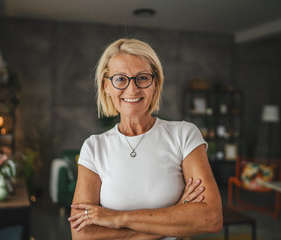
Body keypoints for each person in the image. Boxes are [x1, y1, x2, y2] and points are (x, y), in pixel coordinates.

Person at [68, 38, 223, 240]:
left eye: (142, 78)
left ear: (155, 84)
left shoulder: (184, 135)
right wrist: (174, 216)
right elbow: (82, 235)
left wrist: (117, 219)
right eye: (121, 79)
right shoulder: (94, 147)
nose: (132, 89)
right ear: (106, 85)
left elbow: (210, 218)